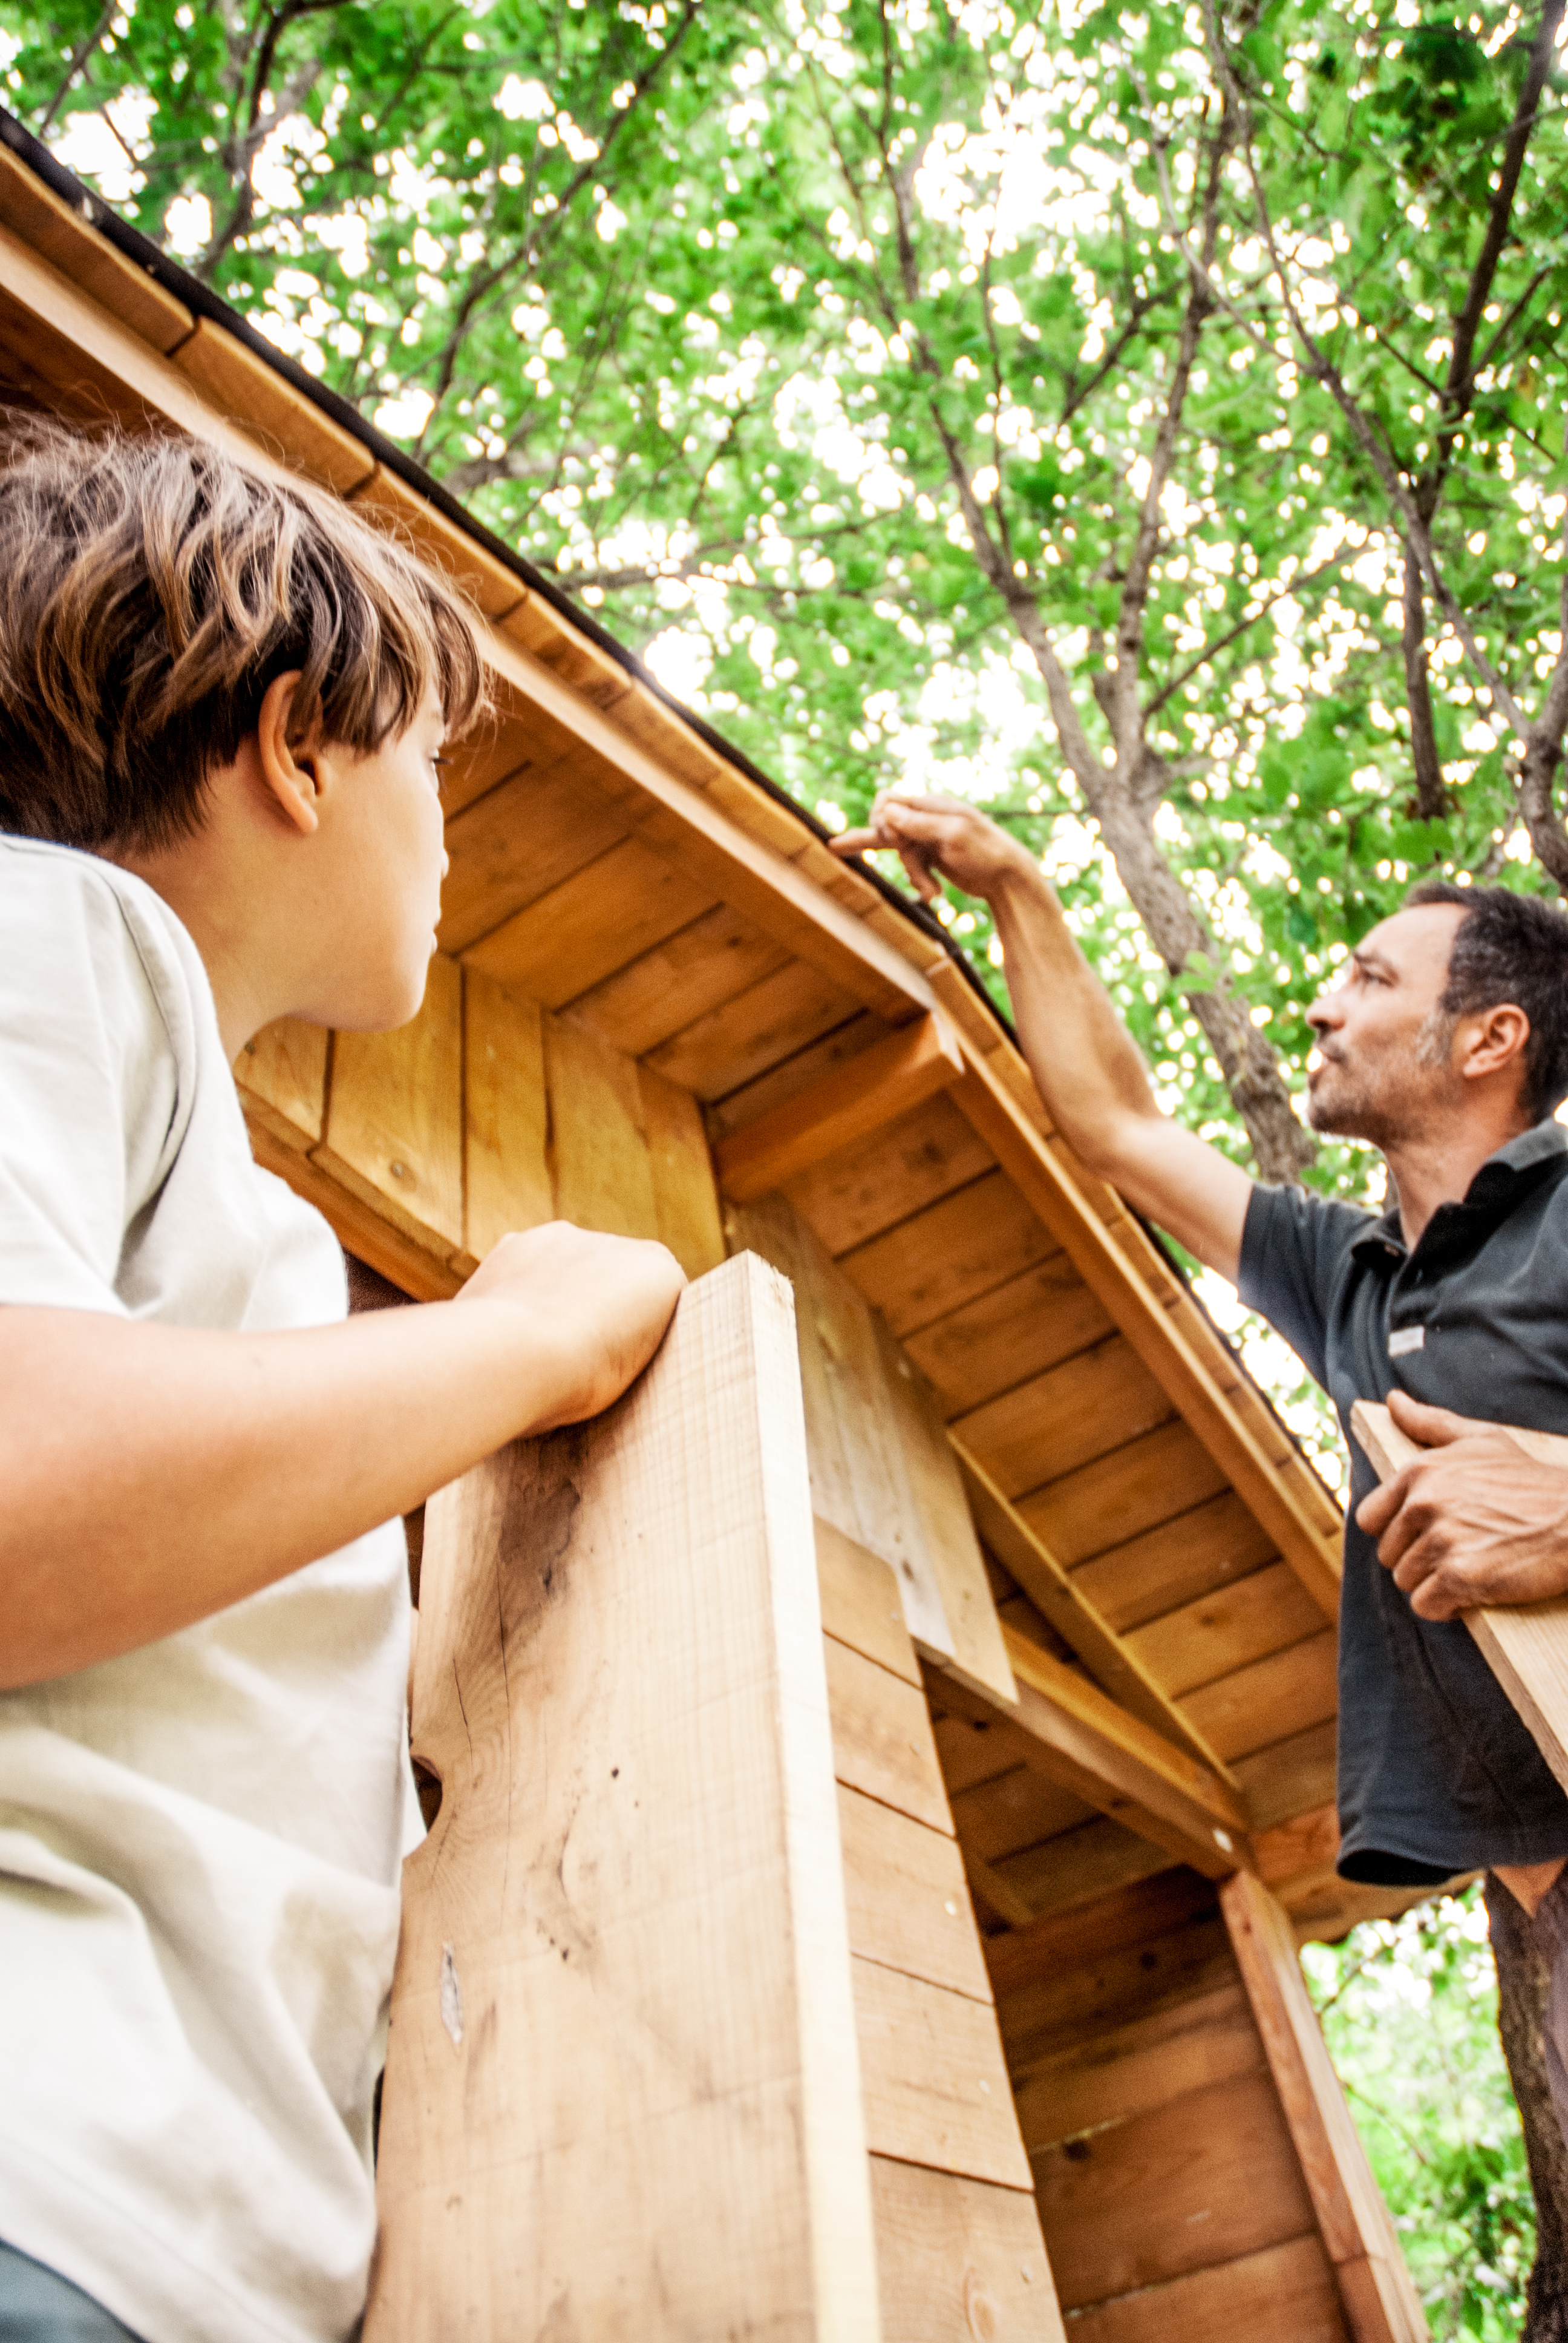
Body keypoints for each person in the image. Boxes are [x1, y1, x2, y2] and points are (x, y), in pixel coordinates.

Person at [0, 419, 685, 2342]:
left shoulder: (223, 1214)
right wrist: (520, 1341)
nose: (451, 836)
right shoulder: (47, 936)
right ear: (299, 744)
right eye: (433, 773)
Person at [834, 789, 1568, 2122]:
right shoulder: (1347, 1276)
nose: (1323, 1010)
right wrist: (1017, 887)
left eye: (1369, 978)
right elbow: (1119, 1129)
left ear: (1489, 1037)